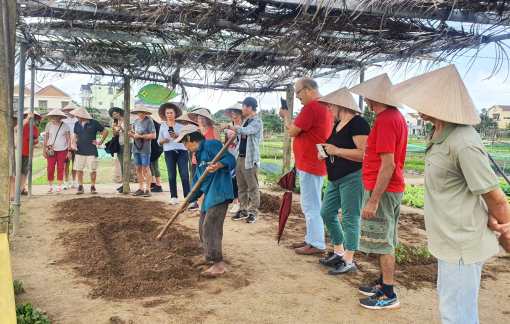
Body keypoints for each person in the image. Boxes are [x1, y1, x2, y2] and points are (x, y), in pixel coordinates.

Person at [391, 65, 510, 322]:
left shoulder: (463, 141)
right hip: (449, 242)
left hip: (461, 245)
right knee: (457, 312)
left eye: (424, 99)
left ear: (439, 104)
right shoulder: (440, 135)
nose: (418, 104)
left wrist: (506, 230)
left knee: (456, 316)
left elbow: (496, 197)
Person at [349, 73, 407, 310]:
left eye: (366, 98)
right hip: (391, 188)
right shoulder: (396, 117)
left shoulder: (385, 120)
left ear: (373, 99)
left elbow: (388, 164)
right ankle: (384, 284)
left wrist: (373, 201)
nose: (365, 102)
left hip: (383, 190)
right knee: (386, 238)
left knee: (383, 242)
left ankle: (389, 293)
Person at [316, 87, 370, 274]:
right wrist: (324, 152)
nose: (329, 108)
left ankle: (349, 259)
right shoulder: (337, 124)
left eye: (331, 105)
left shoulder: (359, 124)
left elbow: (364, 154)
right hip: (335, 177)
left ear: (341, 106)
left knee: (350, 217)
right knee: (327, 212)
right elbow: (333, 147)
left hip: (352, 177)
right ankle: (339, 251)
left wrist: (336, 151)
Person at [279, 77, 334, 254]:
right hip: (313, 162)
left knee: (311, 205)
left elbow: (293, 130)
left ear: (309, 89)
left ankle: (317, 242)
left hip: (310, 163)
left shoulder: (313, 106)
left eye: (298, 92)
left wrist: (286, 116)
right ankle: (311, 238)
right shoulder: (325, 105)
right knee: (311, 203)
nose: (297, 97)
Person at [176, 125, 236, 277]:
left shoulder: (210, 144)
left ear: (189, 138)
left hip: (219, 192)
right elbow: (197, 185)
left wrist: (218, 165)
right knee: (203, 227)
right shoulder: (199, 155)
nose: (186, 148)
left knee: (211, 227)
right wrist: (186, 202)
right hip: (209, 196)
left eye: (184, 143)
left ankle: (219, 265)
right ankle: (209, 257)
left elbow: (230, 159)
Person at [221, 97, 264, 223]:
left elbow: (246, 131)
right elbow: (240, 135)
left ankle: (254, 212)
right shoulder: (246, 121)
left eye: (243, 107)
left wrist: (230, 126)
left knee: (252, 187)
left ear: (249, 108)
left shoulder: (257, 122)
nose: (242, 110)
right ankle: (243, 210)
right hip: (240, 157)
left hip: (250, 159)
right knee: (241, 186)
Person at [189, 108, 222, 216]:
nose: (201, 120)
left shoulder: (214, 130)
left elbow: (220, 146)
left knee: (209, 184)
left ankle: (209, 207)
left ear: (207, 119)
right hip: (196, 160)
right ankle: (200, 208)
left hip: (210, 162)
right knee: (198, 184)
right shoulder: (196, 131)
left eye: (203, 118)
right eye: (199, 118)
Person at [70, 106, 109, 195]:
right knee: (79, 169)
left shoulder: (94, 123)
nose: (76, 117)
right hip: (79, 150)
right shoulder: (77, 124)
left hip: (91, 150)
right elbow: (75, 135)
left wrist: (100, 142)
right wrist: (74, 144)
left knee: (92, 169)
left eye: (78, 115)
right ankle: (80, 186)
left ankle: (93, 186)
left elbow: (105, 131)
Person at [158, 103, 190, 204]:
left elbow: (187, 140)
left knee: (184, 174)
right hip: (168, 151)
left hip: (181, 151)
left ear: (175, 114)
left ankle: (187, 196)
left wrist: (177, 136)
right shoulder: (162, 126)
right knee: (171, 175)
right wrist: (162, 140)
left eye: (171, 113)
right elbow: (158, 141)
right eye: (167, 113)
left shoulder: (181, 126)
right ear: (165, 114)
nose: (169, 115)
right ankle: (174, 197)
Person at [10, 110, 40, 200]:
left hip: (28, 152)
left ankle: (20, 189)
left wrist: (36, 141)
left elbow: (36, 138)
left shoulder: (34, 127)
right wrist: (27, 119)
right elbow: (16, 129)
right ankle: (13, 192)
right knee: (15, 173)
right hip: (18, 152)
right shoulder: (21, 124)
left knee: (24, 172)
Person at [128, 104, 156, 197]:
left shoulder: (149, 121)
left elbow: (153, 135)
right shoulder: (136, 121)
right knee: (138, 168)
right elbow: (136, 133)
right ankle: (140, 188)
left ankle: (148, 189)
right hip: (136, 147)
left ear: (145, 113)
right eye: (138, 112)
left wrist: (140, 136)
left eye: (142, 112)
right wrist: (132, 134)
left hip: (145, 148)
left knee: (146, 168)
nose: (140, 114)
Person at [43, 108, 72, 194]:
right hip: (50, 148)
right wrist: (44, 150)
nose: (55, 117)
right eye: (53, 116)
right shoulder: (49, 125)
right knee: (50, 168)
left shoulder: (65, 126)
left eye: (57, 116)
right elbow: (46, 138)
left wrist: (69, 151)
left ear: (60, 116)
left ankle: (59, 186)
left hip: (62, 149)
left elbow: (68, 139)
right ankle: (50, 186)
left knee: (61, 167)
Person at [223, 102, 244, 214]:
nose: (234, 116)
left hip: (242, 155)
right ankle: (235, 202)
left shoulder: (244, 126)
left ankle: (246, 203)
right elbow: (227, 142)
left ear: (241, 114)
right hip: (231, 156)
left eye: (236, 113)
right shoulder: (228, 128)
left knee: (242, 179)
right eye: (232, 114)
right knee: (233, 179)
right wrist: (224, 154)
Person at [109, 106, 127, 193]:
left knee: (125, 164)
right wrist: (113, 127)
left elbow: (129, 131)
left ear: (120, 113)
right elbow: (114, 134)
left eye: (116, 113)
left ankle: (126, 184)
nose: (115, 115)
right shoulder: (114, 122)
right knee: (121, 164)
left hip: (127, 144)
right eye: (113, 114)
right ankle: (124, 184)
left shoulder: (125, 120)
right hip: (119, 144)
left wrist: (120, 127)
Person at [62, 102, 79, 189]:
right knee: (66, 163)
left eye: (73, 110)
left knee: (75, 163)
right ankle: (66, 181)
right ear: (67, 111)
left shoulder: (78, 120)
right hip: (65, 145)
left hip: (76, 145)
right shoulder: (64, 120)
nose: (71, 111)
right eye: (70, 110)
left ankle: (74, 181)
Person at [149, 115, 163, 193]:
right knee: (151, 166)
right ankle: (153, 183)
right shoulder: (157, 125)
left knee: (155, 166)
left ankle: (158, 185)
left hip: (154, 148)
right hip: (155, 148)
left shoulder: (154, 125)